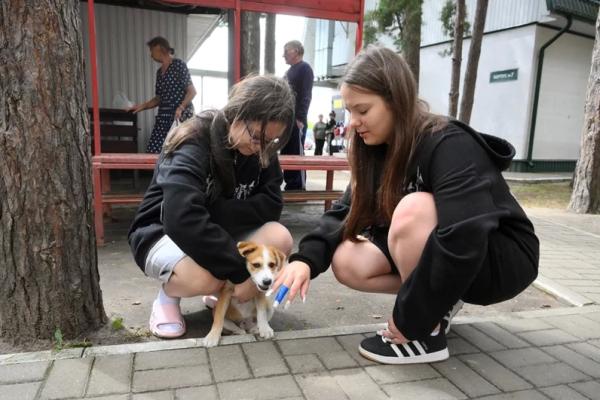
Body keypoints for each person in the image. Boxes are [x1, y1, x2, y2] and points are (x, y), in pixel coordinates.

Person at [271, 46, 539, 364]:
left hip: (499, 257)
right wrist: (305, 260)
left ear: (396, 100)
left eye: (363, 110)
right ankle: (440, 300)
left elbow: (464, 233)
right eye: (350, 111)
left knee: (415, 209)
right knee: (347, 260)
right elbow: (345, 211)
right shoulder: (375, 150)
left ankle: (426, 333)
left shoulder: (446, 143)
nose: (353, 122)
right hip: (457, 257)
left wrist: (410, 317)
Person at [128, 75, 296, 339]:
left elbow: (272, 204)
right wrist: (240, 272)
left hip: (213, 229)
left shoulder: (261, 148)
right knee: (209, 276)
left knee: (280, 238)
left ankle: (221, 291)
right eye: (256, 137)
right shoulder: (193, 139)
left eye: (271, 141)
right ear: (236, 114)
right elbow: (182, 218)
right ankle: (168, 296)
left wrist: (214, 210)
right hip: (161, 232)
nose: (261, 147)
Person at [128, 36, 197, 153]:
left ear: (159, 48)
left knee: (180, 154)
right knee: (153, 152)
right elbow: (159, 98)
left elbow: (192, 92)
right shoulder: (159, 73)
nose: (151, 55)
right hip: (163, 119)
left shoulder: (178, 65)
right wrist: (140, 106)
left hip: (180, 118)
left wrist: (181, 108)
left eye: (151, 50)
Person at [281, 40, 314, 190]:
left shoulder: (305, 68)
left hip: (297, 120)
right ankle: (289, 183)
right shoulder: (289, 71)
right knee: (286, 151)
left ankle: (298, 185)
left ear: (295, 51)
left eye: (286, 51)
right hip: (287, 120)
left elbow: (306, 94)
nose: (283, 55)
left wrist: (300, 117)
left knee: (296, 152)